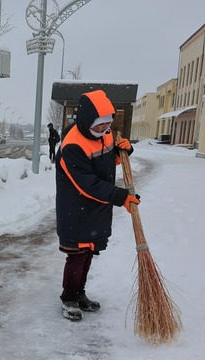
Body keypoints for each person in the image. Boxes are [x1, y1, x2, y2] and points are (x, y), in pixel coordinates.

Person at [54, 89, 140, 321]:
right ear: (86, 122)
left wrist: (123, 151)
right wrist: (119, 197)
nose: (104, 130)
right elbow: (87, 183)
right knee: (77, 254)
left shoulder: (105, 134)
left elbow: (106, 162)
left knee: (89, 252)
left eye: (107, 125)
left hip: (96, 207)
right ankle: (69, 298)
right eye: (99, 126)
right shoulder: (72, 146)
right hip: (76, 208)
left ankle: (80, 293)